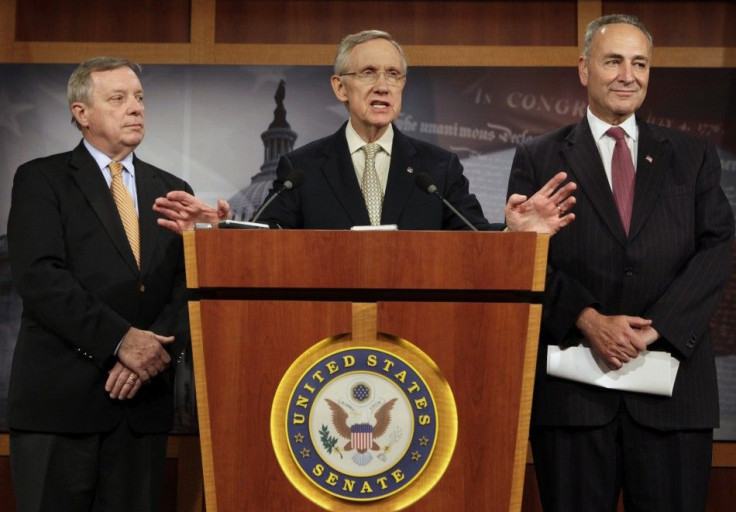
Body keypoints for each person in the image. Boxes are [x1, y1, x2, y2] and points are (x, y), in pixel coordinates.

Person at [506, 14, 734, 512]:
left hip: (672, 395)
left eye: (640, 63)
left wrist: (653, 331)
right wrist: (588, 320)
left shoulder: (693, 156)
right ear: (585, 69)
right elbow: (525, 261)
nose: (628, 75)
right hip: (573, 401)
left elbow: (718, 249)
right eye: (614, 61)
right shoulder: (538, 157)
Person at [153, 29, 576, 234]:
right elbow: (269, 242)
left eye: (394, 74)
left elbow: (472, 241)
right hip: (327, 331)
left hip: (417, 330)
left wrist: (511, 235)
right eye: (369, 72)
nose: (383, 85)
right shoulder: (301, 167)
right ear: (340, 86)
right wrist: (219, 232)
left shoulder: (437, 168)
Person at [7, 57, 194, 511]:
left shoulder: (171, 190)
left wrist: (146, 357)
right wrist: (120, 341)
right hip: (60, 408)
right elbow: (41, 278)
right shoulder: (41, 179)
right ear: (81, 113)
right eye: (118, 99)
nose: (135, 108)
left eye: (140, 98)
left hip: (140, 408)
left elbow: (183, 288)